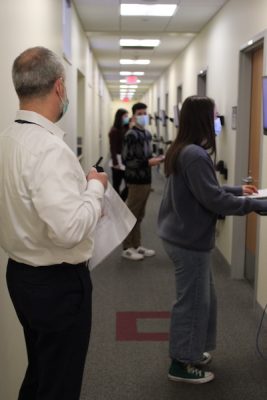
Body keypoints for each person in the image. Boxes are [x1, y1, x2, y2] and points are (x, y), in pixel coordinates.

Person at [0, 47, 108, 400]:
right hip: (58, 285)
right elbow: (70, 230)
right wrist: (95, 187)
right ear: (60, 87)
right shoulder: (49, 149)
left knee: (42, 372)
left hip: (21, 275)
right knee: (59, 382)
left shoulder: (7, 140)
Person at [157, 95, 267, 384]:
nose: (218, 122)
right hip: (188, 241)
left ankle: (192, 350)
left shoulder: (184, 150)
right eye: (215, 116)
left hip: (182, 236)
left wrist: (239, 191)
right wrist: (255, 205)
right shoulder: (193, 154)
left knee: (203, 300)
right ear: (203, 119)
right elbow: (213, 199)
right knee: (192, 302)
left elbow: (206, 189)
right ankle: (181, 363)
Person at [122, 102, 164, 261]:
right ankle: (127, 247)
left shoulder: (146, 134)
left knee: (139, 215)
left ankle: (137, 244)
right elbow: (128, 160)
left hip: (147, 179)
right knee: (131, 214)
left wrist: (156, 159)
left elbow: (147, 155)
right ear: (133, 116)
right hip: (135, 180)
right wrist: (147, 163)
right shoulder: (130, 135)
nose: (143, 116)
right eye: (140, 113)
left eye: (145, 113)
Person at [108, 108, 129, 201]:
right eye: (125, 116)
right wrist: (115, 162)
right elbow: (112, 148)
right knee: (116, 184)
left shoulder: (125, 129)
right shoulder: (114, 130)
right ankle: (116, 203)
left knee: (129, 184)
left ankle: (120, 200)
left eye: (127, 116)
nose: (127, 118)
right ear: (119, 117)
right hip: (117, 160)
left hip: (125, 160)